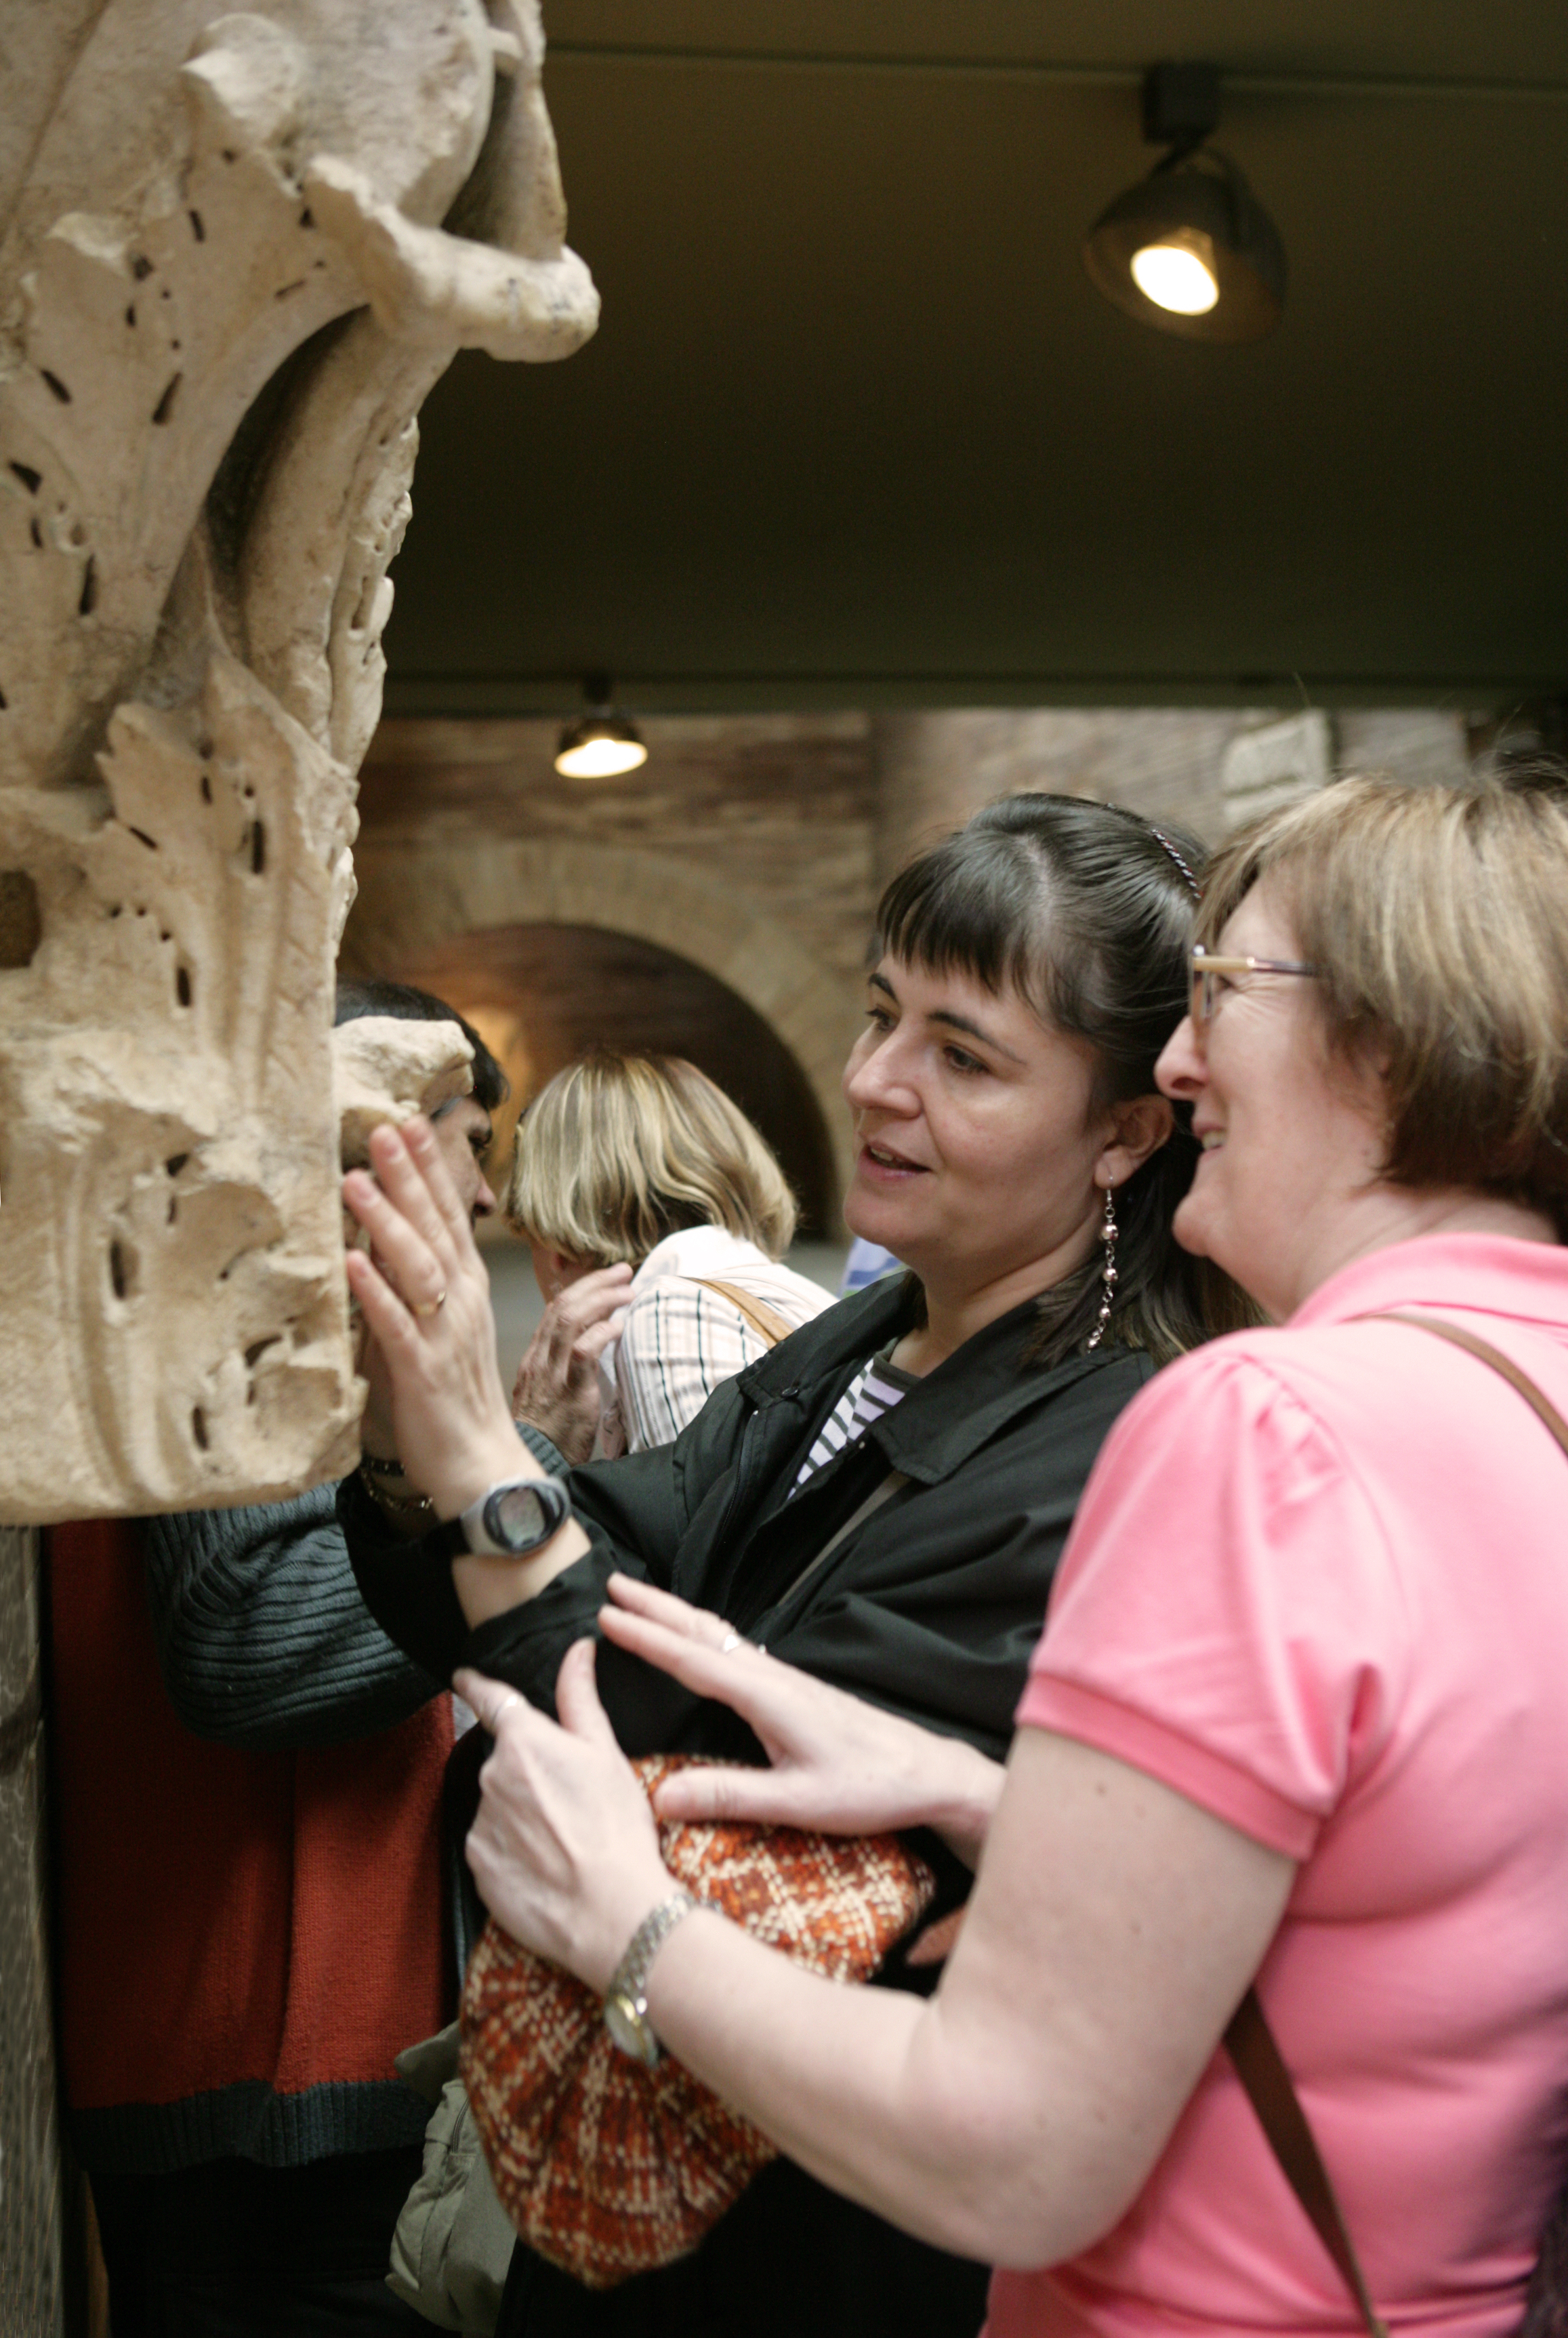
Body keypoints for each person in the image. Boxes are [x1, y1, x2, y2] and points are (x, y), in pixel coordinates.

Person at [451, 762, 1568, 2338]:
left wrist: (626, 1916)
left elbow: (1010, 2157)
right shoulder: (1525, 1378)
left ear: (1387, 1039)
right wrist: (997, 1802)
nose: (1179, 1061)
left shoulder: (1263, 1421)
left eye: (1221, 989)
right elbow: (1403, 1884)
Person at [337, 794, 1237, 2338]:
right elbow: (603, 1556)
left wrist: (487, 1463)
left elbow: (696, 1783)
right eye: (882, 1013)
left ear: (1123, 1130)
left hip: (821, 2219)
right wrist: (414, 1436)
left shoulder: (1121, 1441)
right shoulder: (863, 1333)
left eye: (962, 1054)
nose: (873, 1082)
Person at [48, 979, 510, 2338]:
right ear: (373, 1124)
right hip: (268, 2057)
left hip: (277, 2056)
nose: (482, 1195)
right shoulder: (239, 1279)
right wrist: (534, 1513)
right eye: (465, 1136)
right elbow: (255, 1646)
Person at [504, 1050, 834, 1463]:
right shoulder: (780, 1291)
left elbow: (711, 1528)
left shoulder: (673, 1315)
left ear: (556, 1247)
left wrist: (541, 1454)